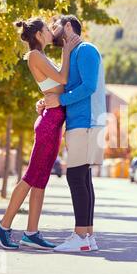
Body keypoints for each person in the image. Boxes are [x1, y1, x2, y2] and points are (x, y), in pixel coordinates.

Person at [0, 17, 80, 250]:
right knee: (31, 177)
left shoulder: (40, 55)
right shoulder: (35, 56)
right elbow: (62, 78)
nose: (52, 32)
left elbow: (55, 86)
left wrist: (44, 99)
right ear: (39, 34)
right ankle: (3, 226)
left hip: (54, 120)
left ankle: (31, 233)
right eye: (48, 29)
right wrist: (67, 51)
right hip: (50, 123)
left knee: (40, 180)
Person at [36, 14, 107, 252]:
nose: (51, 30)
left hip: (86, 123)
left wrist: (61, 99)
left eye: (54, 25)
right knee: (83, 178)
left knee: (76, 177)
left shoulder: (86, 49)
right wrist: (48, 102)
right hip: (82, 122)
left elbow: (88, 86)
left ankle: (80, 237)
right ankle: (87, 236)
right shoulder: (74, 53)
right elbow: (70, 88)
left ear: (68, 26)